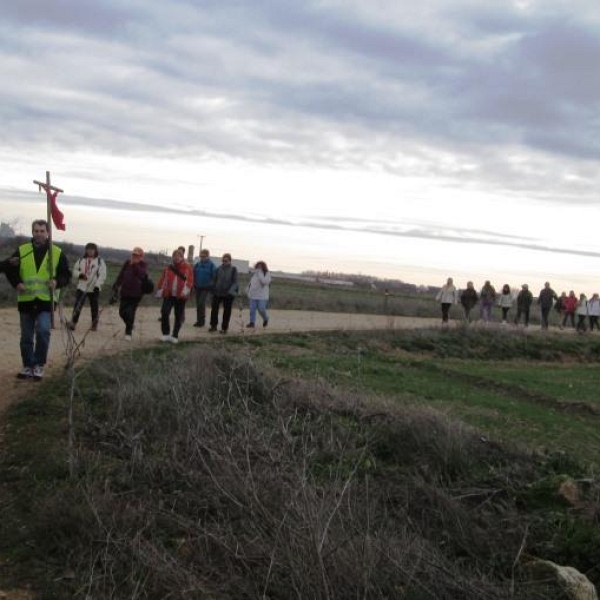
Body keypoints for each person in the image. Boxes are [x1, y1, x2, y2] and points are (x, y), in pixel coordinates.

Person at [11, 219, 71, 380]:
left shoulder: (57, 252)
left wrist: (57, 281)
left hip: (46, 301)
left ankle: (38, 365)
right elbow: (10, 268)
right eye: (36, 231)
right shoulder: (22, 250)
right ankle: (27, 365)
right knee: (26, 336)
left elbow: (66, 274)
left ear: (48, 233)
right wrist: (17, 282)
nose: (39, 233)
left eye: (42, 231)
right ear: (32, 232)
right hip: (26, 300)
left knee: (43, 331)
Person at [156, 249, 194, 343]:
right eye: (175, 256)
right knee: (165, 313)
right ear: (172, 257)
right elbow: (163, 279)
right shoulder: (169, 267)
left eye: (179, 256)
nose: (176, 258)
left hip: (180, 296)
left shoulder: (187, 267)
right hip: (168, 294)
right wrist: (160, 290)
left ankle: (175, 335)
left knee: (178, 315)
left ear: (182, 257)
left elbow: (189, 281)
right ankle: (165, 334)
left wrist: (184, 292)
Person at [67, 242, 107, 331]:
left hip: (94, 288)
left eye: (92, 249)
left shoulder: (100, 261)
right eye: (88, 249)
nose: (90, 251)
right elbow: (74, 270)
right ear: (86, 250)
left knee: (94, 307)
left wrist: (97, 285)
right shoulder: (81, 260)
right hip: (82, 287)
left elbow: (102, 275)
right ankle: (73, 322)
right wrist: (79, 275)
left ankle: (94, 324)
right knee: (77, 306)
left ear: (95, 250)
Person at [112, 247, 148, 341]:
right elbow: (121, 274)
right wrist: (116, 284)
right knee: (122, 312)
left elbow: (141, 274)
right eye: (133, 255)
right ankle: (130, 325)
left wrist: (135, 265)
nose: (135, 257)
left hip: (137, 294)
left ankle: (128, 333)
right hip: (125, 292)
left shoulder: (143, 265)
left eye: (137, 255)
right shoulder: (127, 263)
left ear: (141, 256)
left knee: (130, 312)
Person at [209, 253, 238, 334]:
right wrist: (212, 287)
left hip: (228, 294)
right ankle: (213, 326)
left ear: (230, 261)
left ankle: (224, 328)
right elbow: (214, 279)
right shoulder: (218, 269)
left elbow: (235, 282)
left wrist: (230, 291)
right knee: (214, 310)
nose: (225, 262)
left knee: (227, 311)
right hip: (217, 292)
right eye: (223, 260)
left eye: (226, 260)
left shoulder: (233, 269)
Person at [193, 248, 216, 327]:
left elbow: (214, 277)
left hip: (206, 288)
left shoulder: (212, 266)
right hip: (198, 287)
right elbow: (194, 275)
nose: (202, 258)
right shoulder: (197, 265)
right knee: (198, 304)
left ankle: (201, 321)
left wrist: (210, 285)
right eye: (201, 256)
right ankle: (199, 321)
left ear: (208, 256)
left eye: (204, 256)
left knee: (201, 303)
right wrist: (194, 284)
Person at [246, 261, 272, 328]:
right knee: (252, 310)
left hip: (262, 296)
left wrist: (260, 273)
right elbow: (251, 283)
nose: (259, 268)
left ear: (264, 267)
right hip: (253, 295)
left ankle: (265, 319)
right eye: (257, 266)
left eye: (260, 266)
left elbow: (265, 282)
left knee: (261, 309)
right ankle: (252, 323)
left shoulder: (267, 273)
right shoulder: (254, 274)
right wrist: (247, 290)